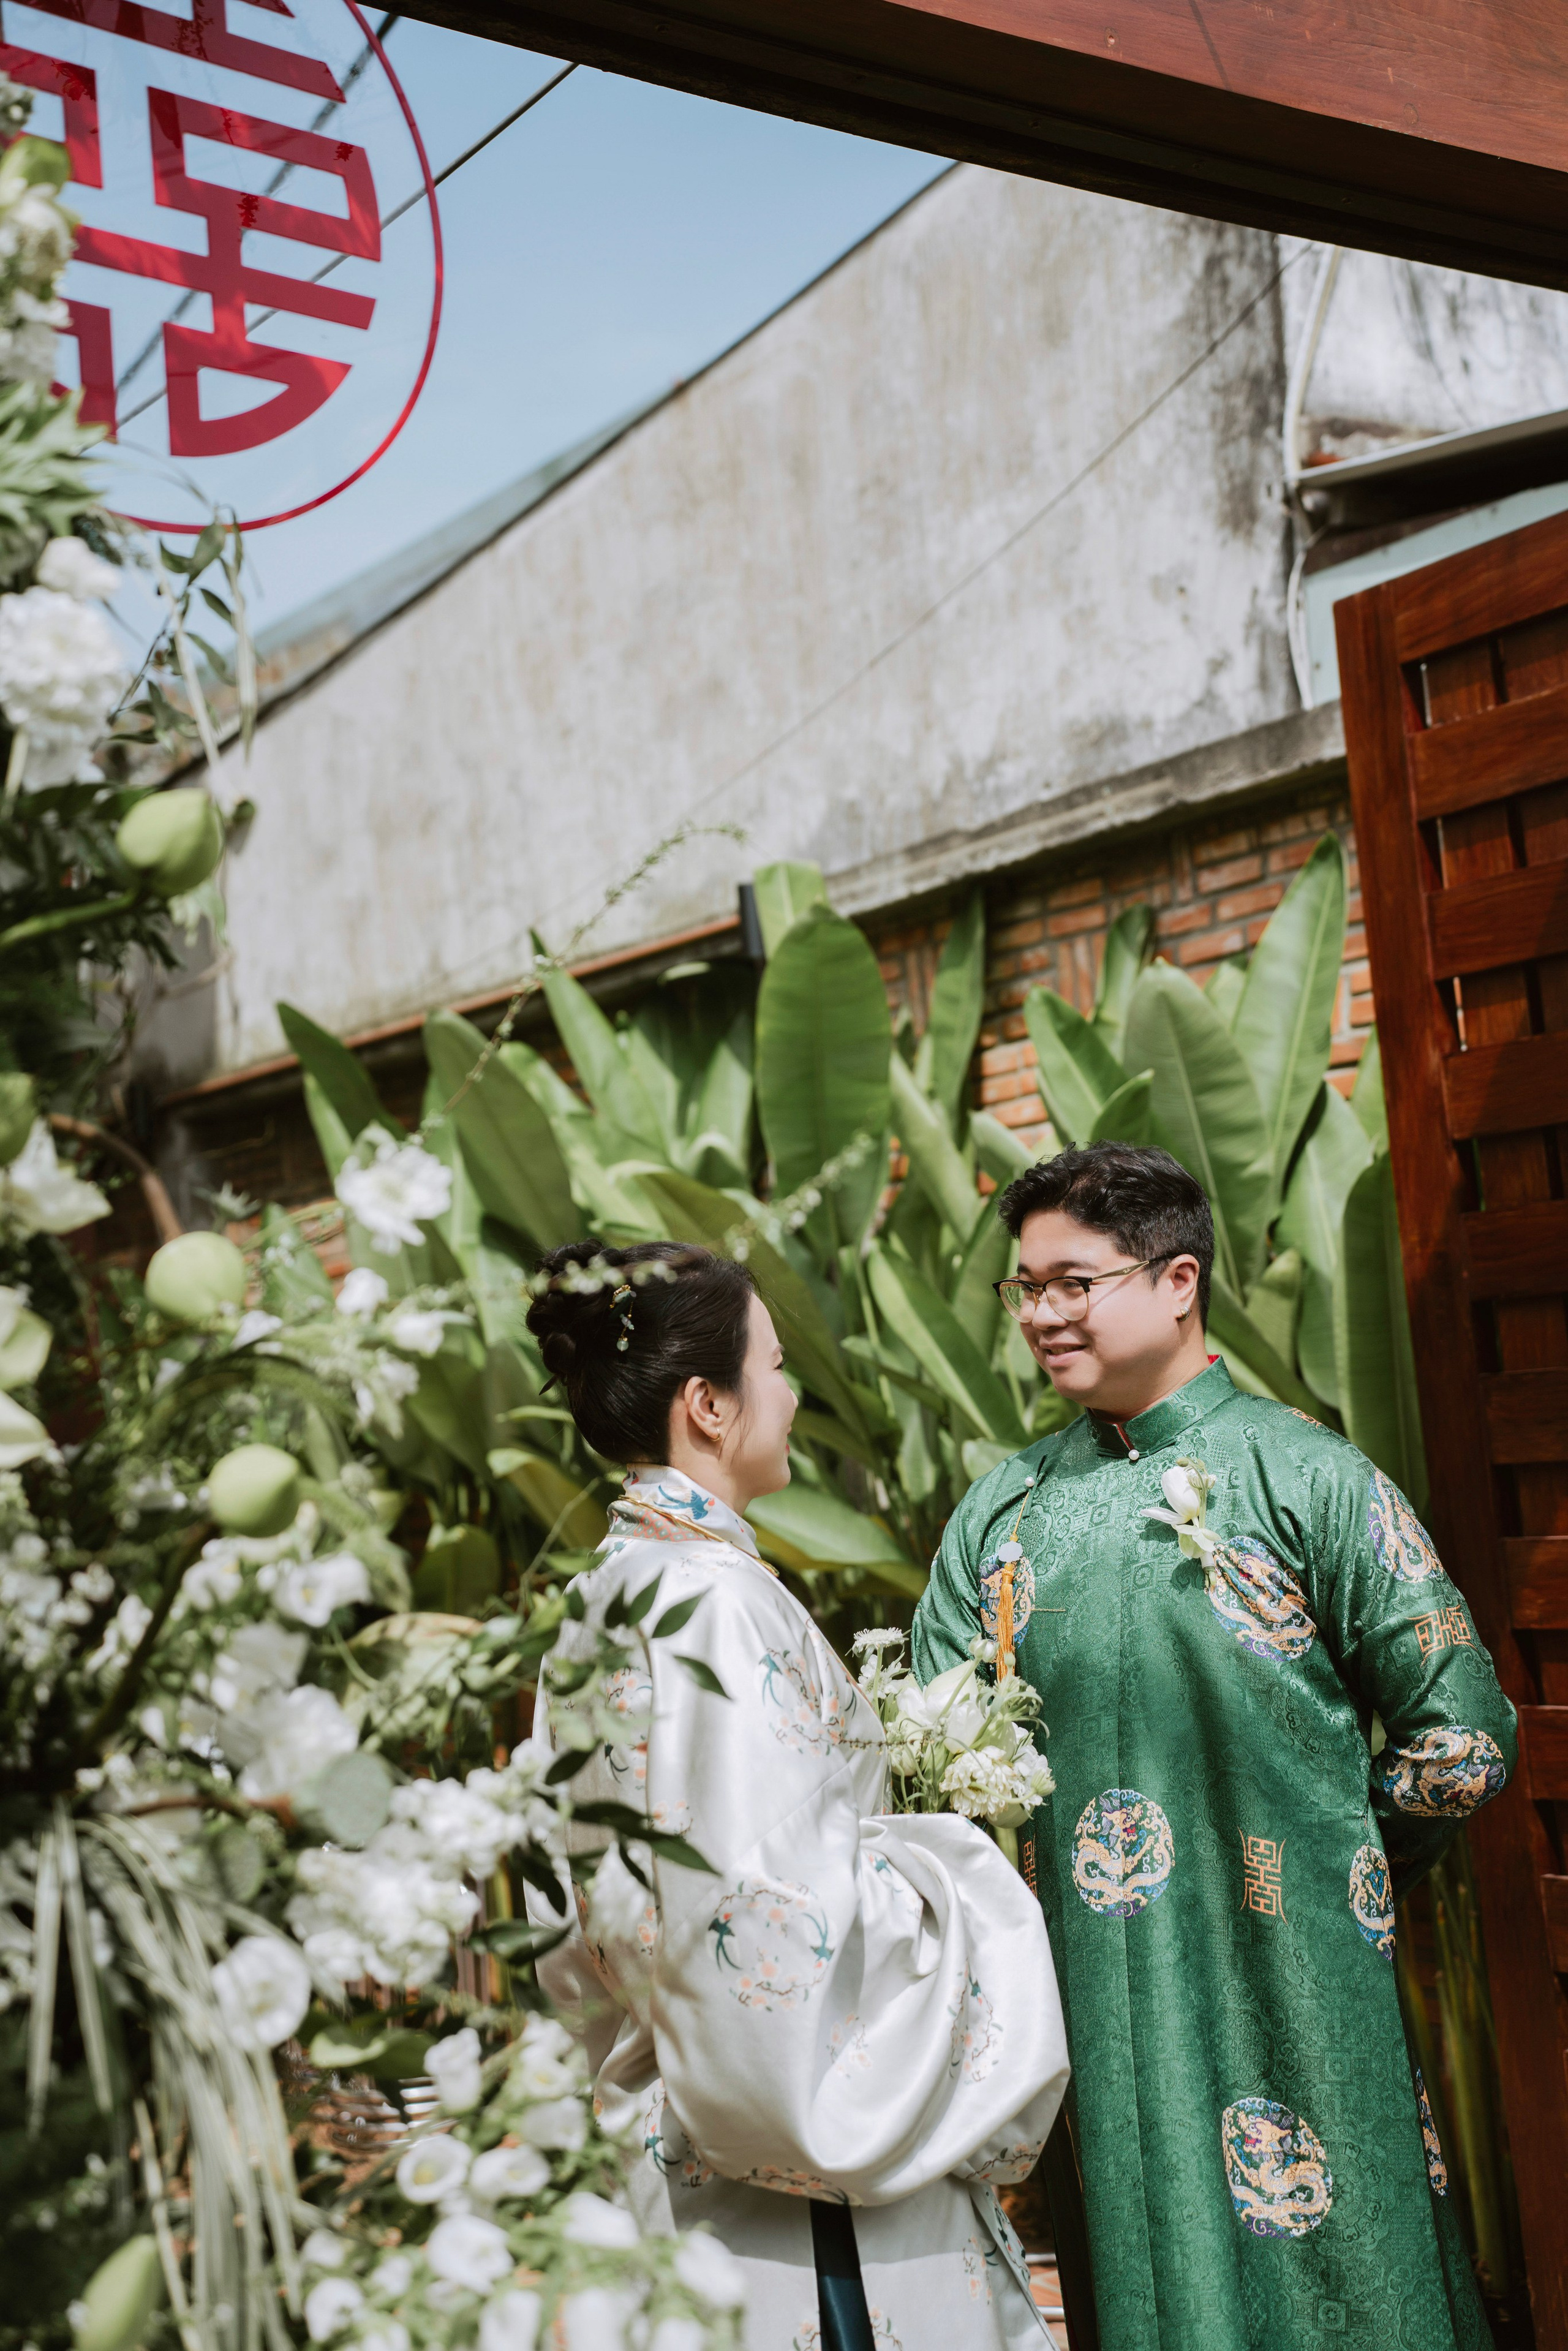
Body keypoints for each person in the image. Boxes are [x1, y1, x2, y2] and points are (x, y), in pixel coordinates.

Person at [911, 1142, 1516, 2351]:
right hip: (1080, 2002)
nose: (1039, 1312)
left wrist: (1329, 1858)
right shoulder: (1000, 1511)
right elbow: (931, 1744)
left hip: (1298, 1975)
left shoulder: (1310, 1477)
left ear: (1176, 1279)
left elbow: (1461, 1736)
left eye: (1070, 1282)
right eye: (1023, 1287)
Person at [526, 1239, 1069, 2351]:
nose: (792, 1388)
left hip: (673, 2130)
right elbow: (769, 1924)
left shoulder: (598, 1600)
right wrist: (952, 1870)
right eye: (773, 1364)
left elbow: (565, 1903)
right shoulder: (717, 1607)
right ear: (709, 1406)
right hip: (799, 2192)